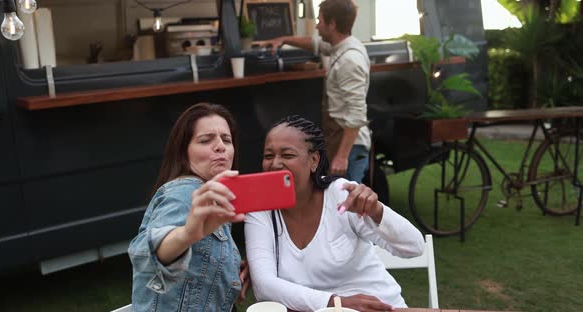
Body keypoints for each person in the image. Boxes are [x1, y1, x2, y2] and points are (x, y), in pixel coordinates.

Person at [244, 115, 425, 312]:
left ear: (314, 160)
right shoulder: (260, 210)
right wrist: (337, 303)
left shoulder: (342, 194)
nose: (275, 163)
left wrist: (377, 212)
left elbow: (414, 247)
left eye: (287, 155)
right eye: (268, 156)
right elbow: (264, 286)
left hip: (380, 307)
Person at [128, 103, 250, 312]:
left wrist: (232, 267)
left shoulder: (211, 195)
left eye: (226, 139)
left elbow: (199, 261)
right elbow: (147, 255)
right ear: (183, 153)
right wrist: (186, 234)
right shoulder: (185, 192)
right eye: (206, 140)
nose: (220, 146)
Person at [262, 0, 371, 183]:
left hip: (350, 147)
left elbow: (357, 113)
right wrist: (284, 39)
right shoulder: (341, 47)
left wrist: (342, 156)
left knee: (348, 206)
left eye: (320, 21)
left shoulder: (350, 60)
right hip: (341, 141)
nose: (318, 27)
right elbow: (315, 44)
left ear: (332, 24)